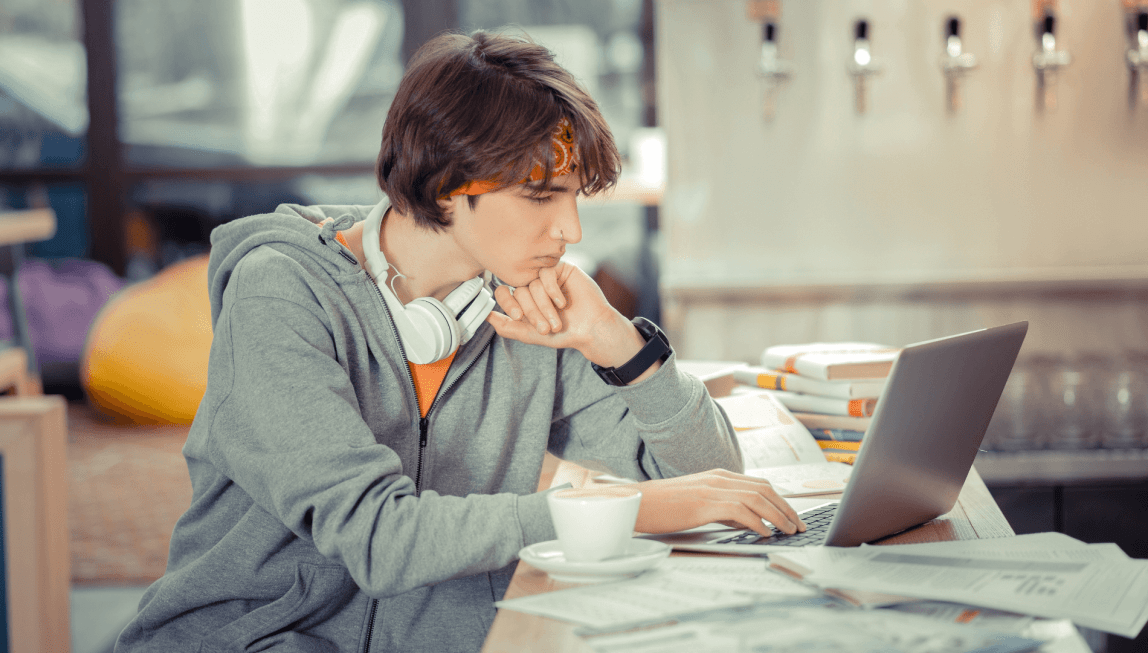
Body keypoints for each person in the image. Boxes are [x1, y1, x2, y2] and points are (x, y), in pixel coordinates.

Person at [116, 30, 804, 653]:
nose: (572, 230)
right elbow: (380, 538)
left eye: (575, 198)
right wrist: (631, 507)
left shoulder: (522, 302)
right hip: (250, 639)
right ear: (447, 186)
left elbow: (712, 480)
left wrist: (617, 341)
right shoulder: (282, 295)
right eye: (540, 197)